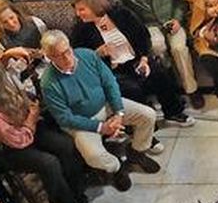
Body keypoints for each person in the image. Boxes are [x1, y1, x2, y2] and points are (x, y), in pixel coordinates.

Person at [0, 58, 87, 203]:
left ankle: (77, 189)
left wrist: (32, 109)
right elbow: (19, 140)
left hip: (26, 126)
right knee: (49, 163)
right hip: (10, 148)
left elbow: (26, 104)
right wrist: (31, 117)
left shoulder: (6, 88)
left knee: (65, 145)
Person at [38, 29, 162, 188]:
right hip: (82, 120)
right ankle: (116, 167)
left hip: (107, 104)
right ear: (49, 57)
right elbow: (64, 118)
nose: (67, 57)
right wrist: (100, 127)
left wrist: (118, 112)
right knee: (93, 155)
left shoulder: (87, 55)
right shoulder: (49, 83)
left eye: (67, 50)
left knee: (148, 115)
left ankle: (136, 152)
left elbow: (110, 83)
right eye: (59, 55)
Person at [111, 0, 198, 102]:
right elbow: (113, 6)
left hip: (170, 18)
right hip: (149, 24)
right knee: (157, 47)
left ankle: (191, 89)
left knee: (179, 48)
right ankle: (171, 84)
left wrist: (178, 19)